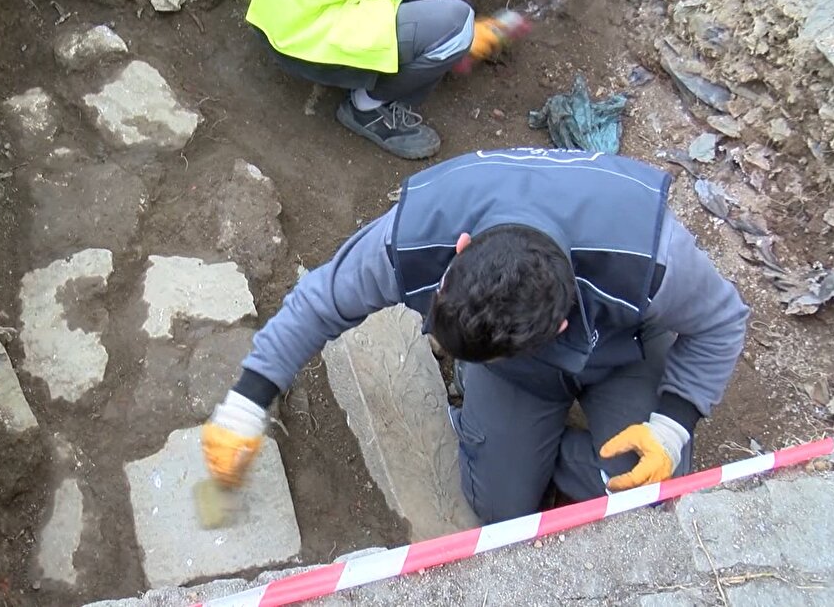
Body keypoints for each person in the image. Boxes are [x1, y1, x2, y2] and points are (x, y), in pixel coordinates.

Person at [201, 147, 750, 524]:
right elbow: (320, 301)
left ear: (557, 327)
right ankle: (517, 435)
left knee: (644, 493)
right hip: (518, 369)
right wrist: (246, 404)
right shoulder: (416, 236)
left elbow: (722, 321)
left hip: (622, 348)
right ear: (460, 249)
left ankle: (534, 443)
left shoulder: (650, 258)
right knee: (503, 511)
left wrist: (674, 423)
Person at [244, 0, 509, 160]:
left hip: (273, 5)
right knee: (455, 30)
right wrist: (468, 39)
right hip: (303, 37)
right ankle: (367, 108)